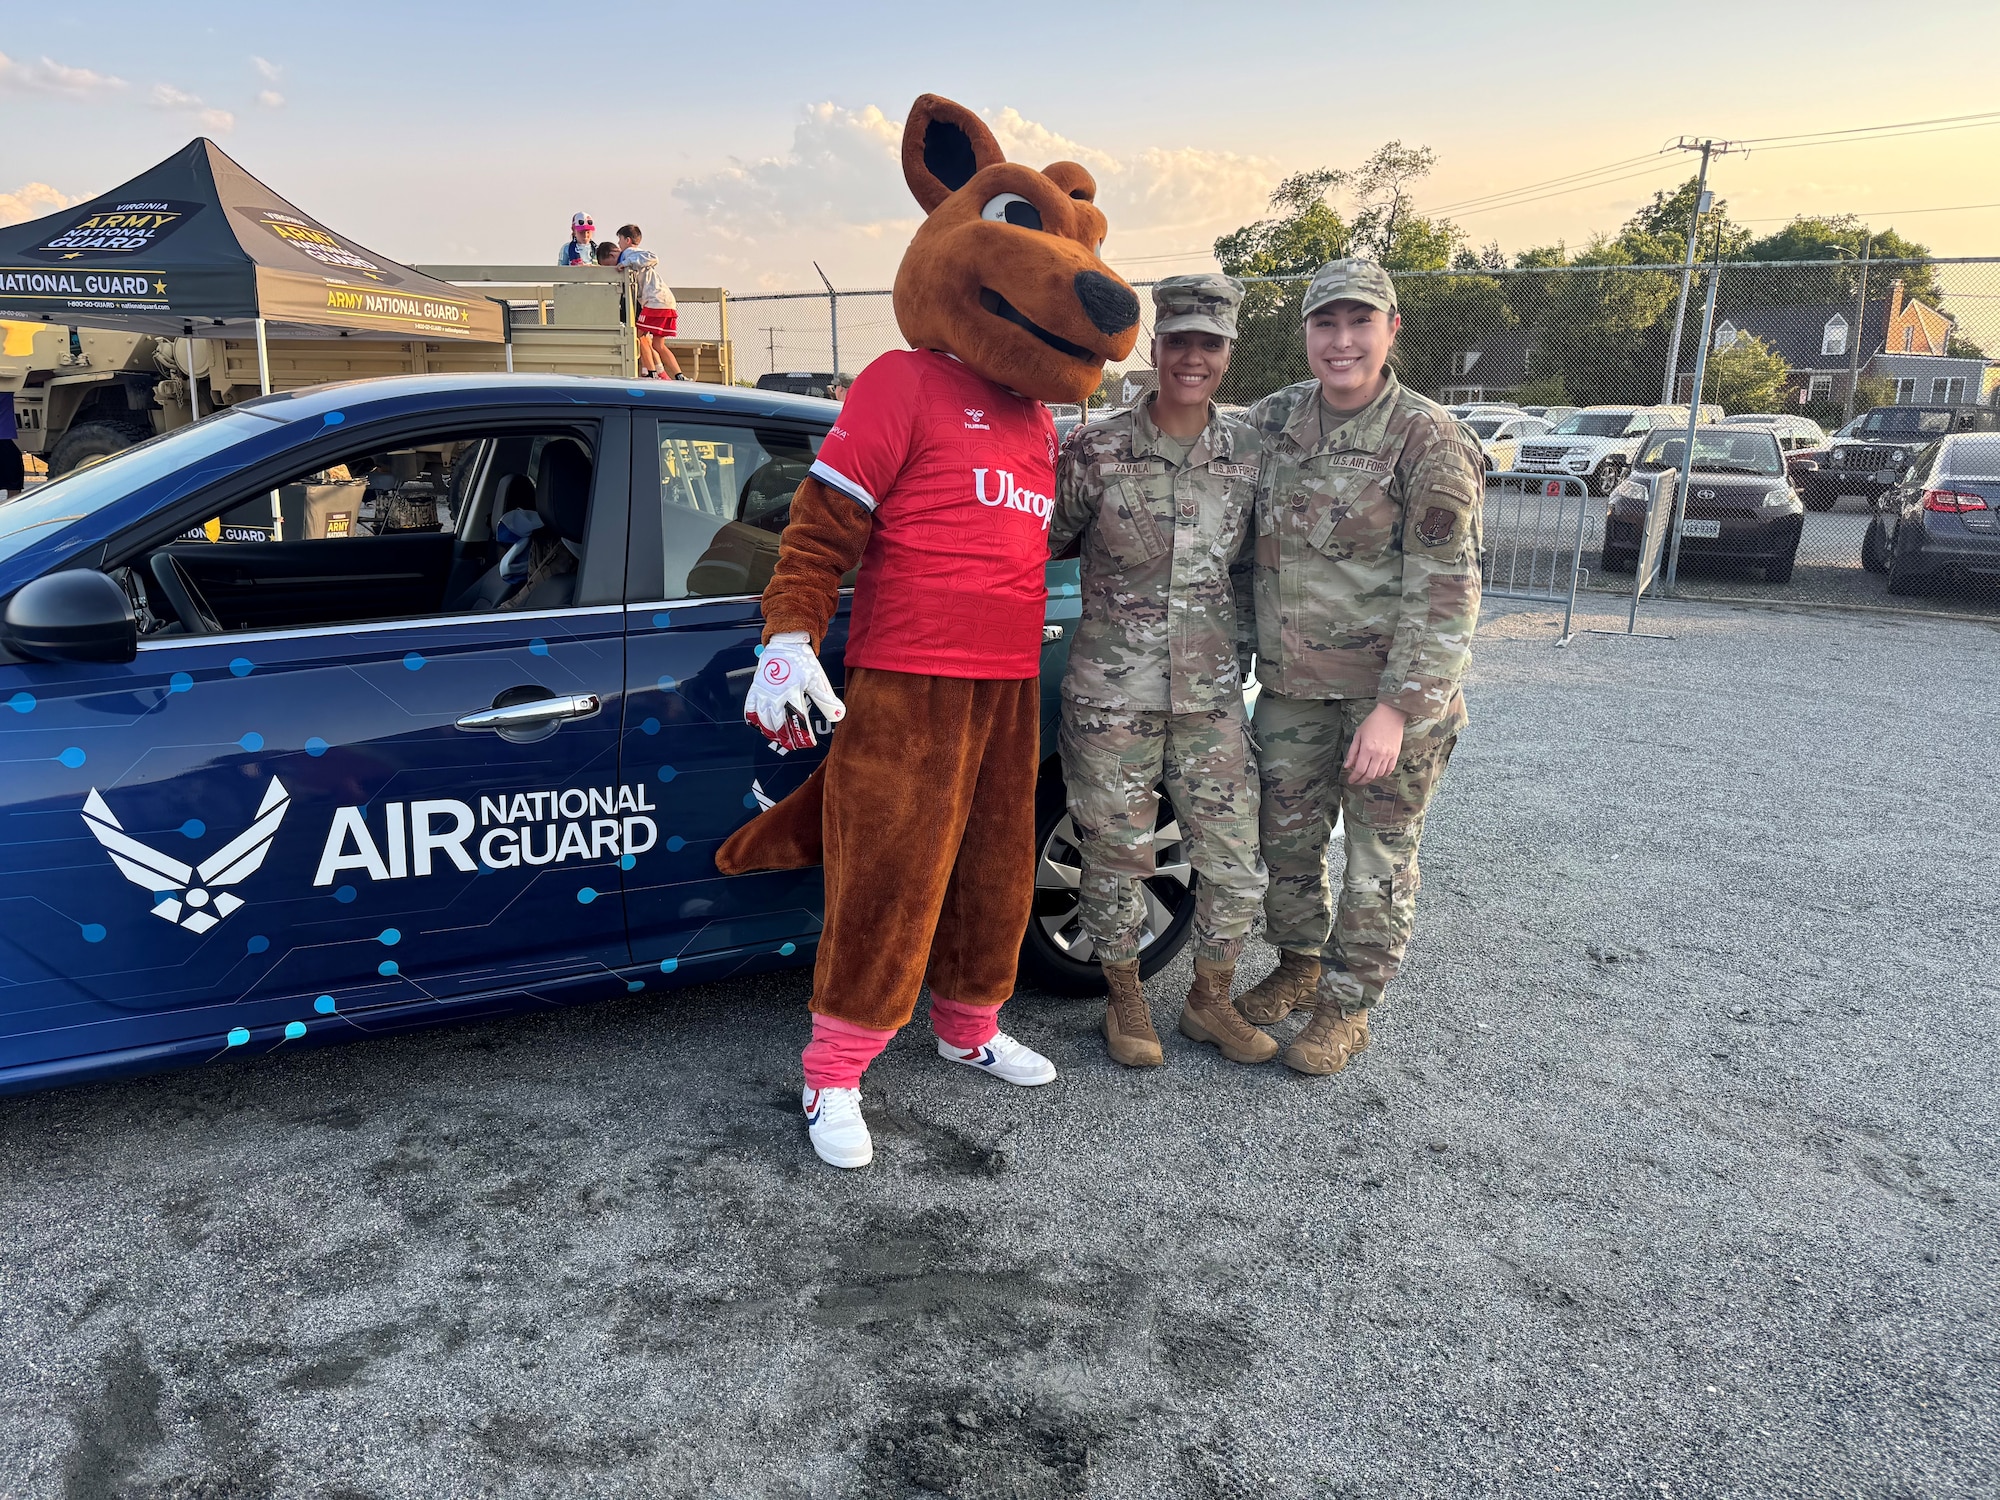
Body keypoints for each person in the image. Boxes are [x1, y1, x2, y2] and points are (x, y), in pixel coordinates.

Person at [1232, 259, 1483, 1075]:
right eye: (1325, 325)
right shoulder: (1271, 424)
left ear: (1391, 329)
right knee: (1288, 845)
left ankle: (1347, 1007)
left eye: (1359, 323)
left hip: (1387, 700)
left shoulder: (1429, 440)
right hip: (1293, 691)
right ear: (1305, 333)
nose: (1341, 342)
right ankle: (1299, 965)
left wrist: (1398, 710)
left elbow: (1445, 591)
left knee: (1378, 859)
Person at [1048, 275, 1272, 1068]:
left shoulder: (1248, 453)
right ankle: (1127, 1002)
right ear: (1156, 346)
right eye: (1179, 341)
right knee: (1115, 858)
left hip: (1209, 696)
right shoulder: (1097, 448)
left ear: (1227, 354)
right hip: (1112, 696)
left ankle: (1209, 1002)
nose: (1192, 358)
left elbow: (1257, 569)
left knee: (1236, 860)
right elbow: (1040, 543)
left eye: (1209, 344)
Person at [614, 224, 684, 380]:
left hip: (654, 302)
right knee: (658, 345)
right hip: (665, 301)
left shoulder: (629, 253)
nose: (618, 244)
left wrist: (624, 263)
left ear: (627, 240)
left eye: (619, 240)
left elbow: (653, 257)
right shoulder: (635, 256)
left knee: (636, 336)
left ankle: (651, 373)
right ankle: (679, 375)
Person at [0, 393, 24, 500]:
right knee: (14, 484)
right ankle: (11, 514)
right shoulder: (7, 384)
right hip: (3, 439)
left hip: (4, 440)